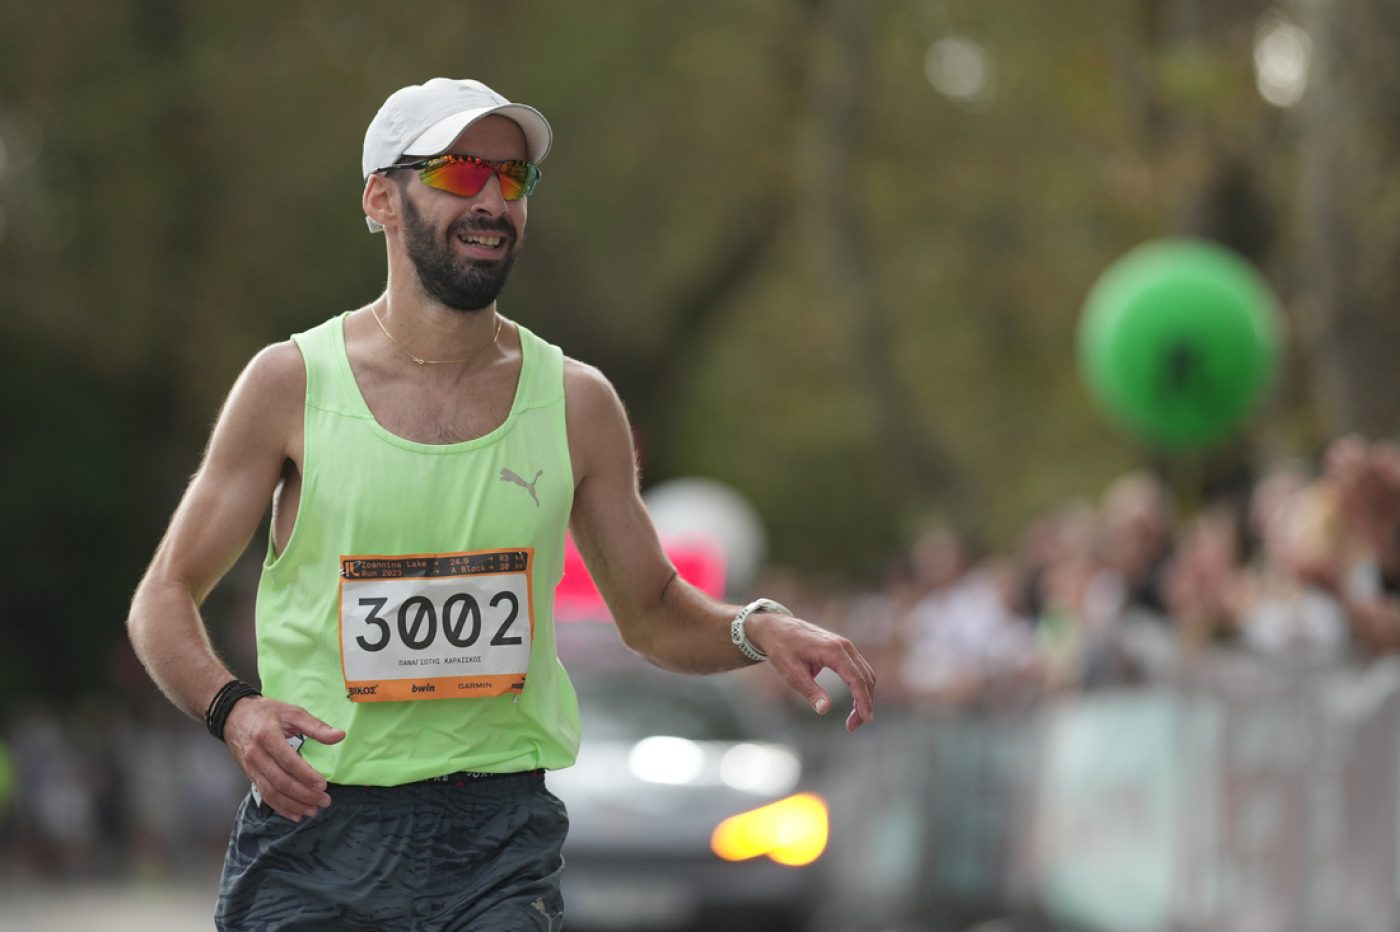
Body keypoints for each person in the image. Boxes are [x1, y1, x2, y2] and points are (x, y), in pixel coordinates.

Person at [125, 77, 877, 930]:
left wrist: (756, 627)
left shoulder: (577, 402)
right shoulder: (291, 384)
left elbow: (653, 613)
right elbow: (164, 595)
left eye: (512, 178)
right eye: (460, 172)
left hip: (495, 843)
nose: (492, 200)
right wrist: (232, 710)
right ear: (380, 198)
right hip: (319, 825)